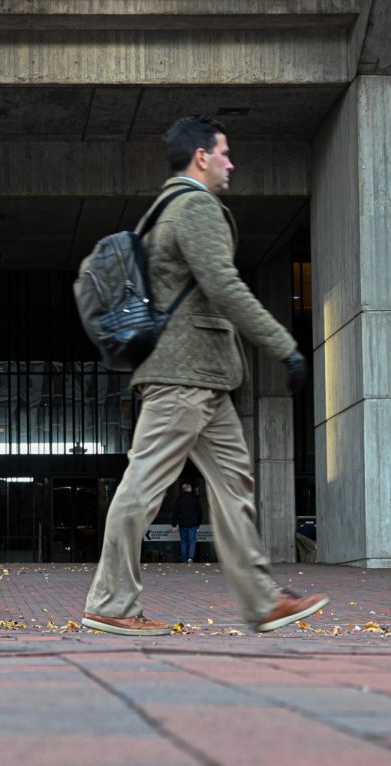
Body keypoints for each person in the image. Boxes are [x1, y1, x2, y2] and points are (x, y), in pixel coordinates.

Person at [81, 116, 329, 636]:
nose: (230, 163)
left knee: (234, 486)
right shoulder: (193, 207)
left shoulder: (162, 210)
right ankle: (111, 601)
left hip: (205, 378)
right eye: (224, 153)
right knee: (143, 485)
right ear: (201, 157)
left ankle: (262, 601)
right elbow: (223, 284)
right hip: (183, 374)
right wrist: (284, 346)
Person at [171, 482, 202, 563]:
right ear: (190, 489)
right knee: (192, 541)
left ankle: (184, 560)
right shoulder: (195, 499)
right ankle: (190, 557)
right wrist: (199, 523)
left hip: (182, 524)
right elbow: (200, 512)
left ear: (183, 490)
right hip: (193, 524)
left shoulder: (179, 500)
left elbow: (175, 512)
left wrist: (174, 524)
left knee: (183, 542)